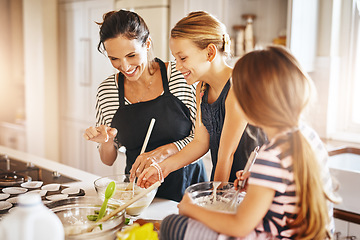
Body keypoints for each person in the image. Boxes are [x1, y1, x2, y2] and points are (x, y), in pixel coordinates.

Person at [160, 45, 339, 239]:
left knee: (172, 224)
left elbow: (239, 226)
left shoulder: (270, 156)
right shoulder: (308, 136)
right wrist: (257, 183)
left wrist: (190, 209)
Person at [83, 9, 207, 202]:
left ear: (147, 44)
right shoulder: (108, 91)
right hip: (139, 195)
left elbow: (201, 139)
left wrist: (161, 153)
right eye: (114, 59)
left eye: (131, 55)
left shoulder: (180, 75)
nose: (124, 66)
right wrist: (106, 140)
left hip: (188, 191)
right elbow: (108, 160)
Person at [137, 11, 266, 188]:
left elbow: (226, 155)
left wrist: (215, 200)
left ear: (210, 52)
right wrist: (161, 168)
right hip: (227, 183)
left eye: (183, 58)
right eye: (175, 59)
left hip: (253, 187)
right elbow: (200, 142)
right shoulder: (202, 88)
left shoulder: (238, 86)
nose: (177, 65)